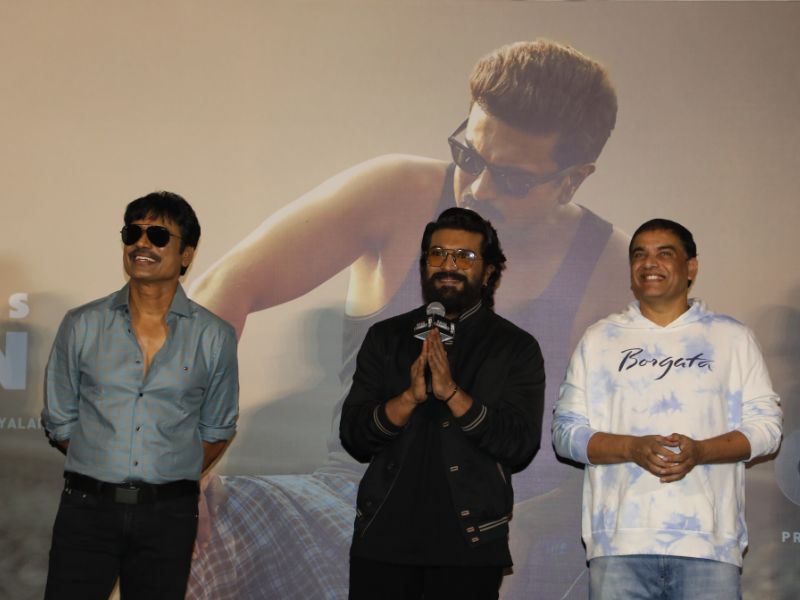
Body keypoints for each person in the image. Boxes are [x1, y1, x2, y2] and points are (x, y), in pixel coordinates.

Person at [186, 39, 630, 599]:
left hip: (512, 540)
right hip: (349, 505)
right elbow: (221, 289)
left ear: (573, 179)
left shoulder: (613, 276)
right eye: (470, 157)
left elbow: (634, 462)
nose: (477, 190)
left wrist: (522, 531)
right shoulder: (396, 196)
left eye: (513, 180)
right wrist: (181, 464)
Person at [552, 218, 782, 599]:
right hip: (619, 548)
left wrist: (701, 452)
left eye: (664, 253)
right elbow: (565, 433)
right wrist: (631, 448)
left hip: (709, 547)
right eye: (639, 254)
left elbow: (768, 428)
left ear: (691, 267)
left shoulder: (732, 338)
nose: (649, 262)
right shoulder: (599, 339)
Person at [41, 191, 239, 600]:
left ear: (186, 254)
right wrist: (104, 461)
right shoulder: (81, 324)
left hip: (168, 517)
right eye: (133, 233)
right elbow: (59, 420)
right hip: (87, 510)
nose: (141, 243)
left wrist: (166, 470)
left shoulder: (214, 336)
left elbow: (217, 428)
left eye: (158, 236)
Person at [340, 207, 545, 599]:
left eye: (464, 256)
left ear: (488, 272)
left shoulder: (514, 347)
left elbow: (519, 444)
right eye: (438, 254)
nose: (448, 265)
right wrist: (408, 399)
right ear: (424, 265)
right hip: (383, 542)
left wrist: (452, 393)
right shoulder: (386, 337)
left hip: (469, 546)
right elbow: (354, 436)